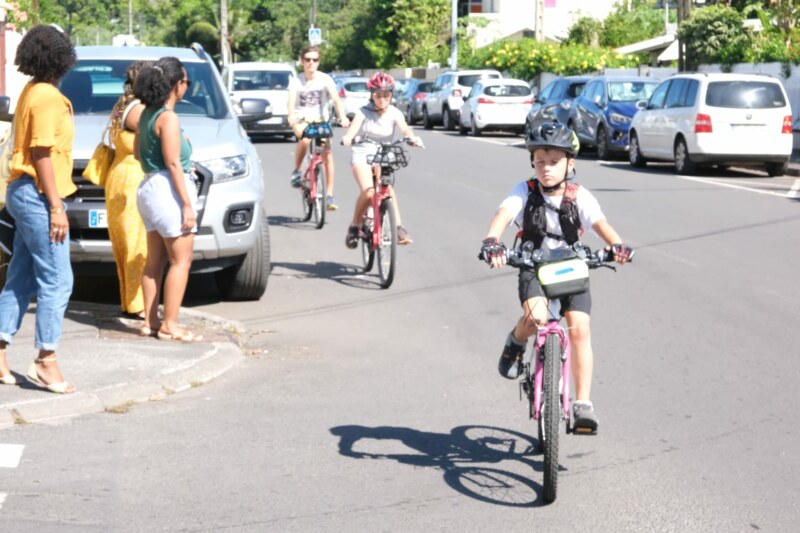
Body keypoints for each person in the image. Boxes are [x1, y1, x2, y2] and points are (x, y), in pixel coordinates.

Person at [479, 122, 633, 433]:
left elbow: (600, 223)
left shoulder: (580, 196)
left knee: (580, 328)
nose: (546, 169)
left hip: (571, 266)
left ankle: (582, 404)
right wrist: (492, 241)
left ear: (570, 163)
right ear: (532, 163)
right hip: (532, 264)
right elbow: (504, 215)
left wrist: (616, 245)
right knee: (536, 319)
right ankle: (516, 341)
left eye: (554, 162)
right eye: (539, 162)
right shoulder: (524, 190)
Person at [0, 25, 77, 393]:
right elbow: (42, 153)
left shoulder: (32, 89)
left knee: (20, 278)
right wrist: (56, 206)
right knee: (58, 280)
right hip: (37, 195)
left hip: (23, 192)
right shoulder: (46, 96)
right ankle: (46, 361)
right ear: (61, 58)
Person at [133, 57, 201, 342]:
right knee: (181, 261)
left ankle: (150, 321)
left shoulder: (145, 113)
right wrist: (187, 204)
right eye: (185, 82)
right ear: (176, 86)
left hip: (148, 187)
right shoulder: (168, 118)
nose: (187, 86)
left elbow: (137, 154)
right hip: (168, 190)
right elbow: (174, 163)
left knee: (154, 262)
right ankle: (170, 324)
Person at [341, 72, 423, 248]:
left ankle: (398, 227)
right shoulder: (363, 112)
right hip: (363, 153)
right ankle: (355, 225)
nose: (382, 99)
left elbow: (405, 129)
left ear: (391, 94)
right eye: (378, 94)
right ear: (372, 94)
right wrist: (348, 137)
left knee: (386, 188)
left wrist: (413, 138)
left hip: (385, 154)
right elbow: (352, 130)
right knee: (369, 191)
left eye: (386, 94)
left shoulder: (394, 113)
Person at [105, 60, 150, 318]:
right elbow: (157, 131)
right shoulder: (138, 110)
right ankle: (138, 305)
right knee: (136, 245)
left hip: (121, 177)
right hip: (132, 178)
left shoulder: (122, 104)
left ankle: (130, 301)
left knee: (126, 245)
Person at [287, 45, 349, 210]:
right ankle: (297, 170)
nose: (311, 63)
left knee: (327, 153)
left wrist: (342, 117)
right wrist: (291, 115)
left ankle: (329, 194)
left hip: (321, 119)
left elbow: (336, 100)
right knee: (306, 140)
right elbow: (291, 100)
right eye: (307, 59)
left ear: (319, 62)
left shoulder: (325, 79)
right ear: (302, 61)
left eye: (314, 60)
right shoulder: (296, 80)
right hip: (302, 119)